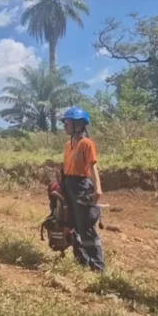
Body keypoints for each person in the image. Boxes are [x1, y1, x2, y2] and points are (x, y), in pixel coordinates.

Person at [60, 106, 104, 272]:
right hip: (69, 185)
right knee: (72, 224)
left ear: (78, 124)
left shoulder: (87, 143)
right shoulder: (68, 145)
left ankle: (98, 267)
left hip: (82, 186)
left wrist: (98, 189)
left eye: (67, 122)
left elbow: (93, 167)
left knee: (85, 226)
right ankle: (82, 262)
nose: (64, 125)